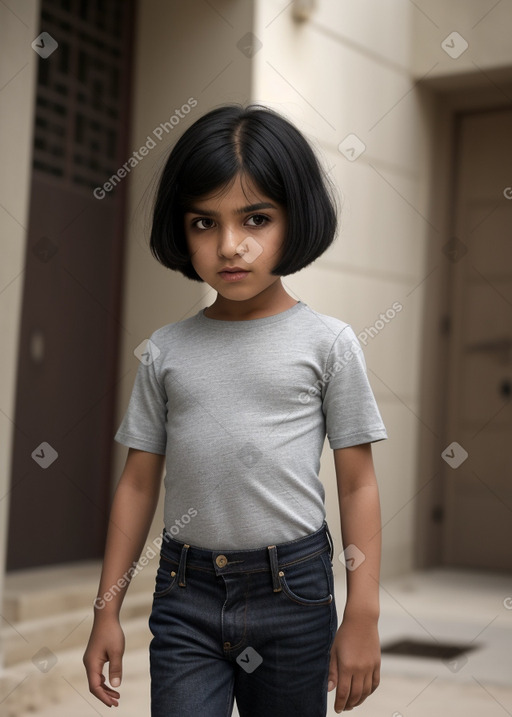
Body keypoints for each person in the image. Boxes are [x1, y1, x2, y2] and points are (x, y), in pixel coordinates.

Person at [83, 104, 388, 716]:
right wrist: (106, 610)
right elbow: (138, 484)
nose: (229, 245)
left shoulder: (328, 344)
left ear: (294, 219)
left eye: (256, 218)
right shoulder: (166, 349)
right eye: (203, 222)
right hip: (184, 593)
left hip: (292, 593)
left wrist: (362, 614)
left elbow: (357, 486)